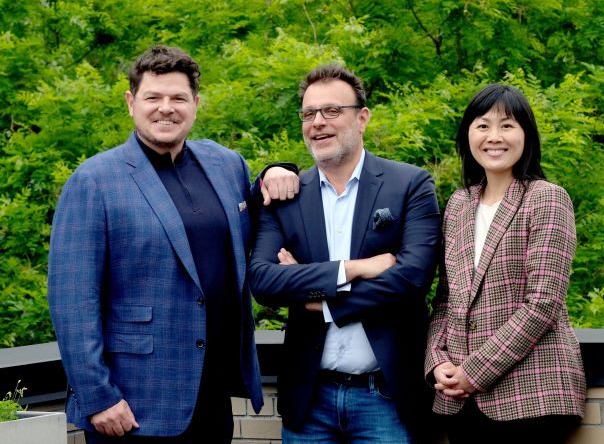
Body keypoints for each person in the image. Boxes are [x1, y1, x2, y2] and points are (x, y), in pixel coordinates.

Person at [47, 45, 299, 443]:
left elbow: (254, 214)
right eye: (153, 97)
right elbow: (72, 300)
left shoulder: (225, 163)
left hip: (212, 392)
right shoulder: (94, 180)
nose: (166, 108)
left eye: (178, 98)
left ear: (196, 104)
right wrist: (98, 397)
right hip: (133, 404)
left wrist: (276, 171)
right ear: (131, 102)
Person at [249, 63, 441, 443]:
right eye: (308, 113)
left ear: (362, 117)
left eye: (332, 111)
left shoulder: (410, 185)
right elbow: (264, 281)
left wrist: (321, 302)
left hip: (386, 397)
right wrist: (356, 268)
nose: (318, 122)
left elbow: (412, 277)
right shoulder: (286, 197)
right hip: (309, 399)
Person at [425, 83, 586, 444]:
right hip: (461, 404)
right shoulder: (458, 205)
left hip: (531, 396)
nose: (494, 136)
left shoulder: (547, 198)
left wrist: (474, 372)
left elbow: (543, 303)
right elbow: (445, 301)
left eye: (507, 125)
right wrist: (438, 362)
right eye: (483, 125)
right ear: (468, 134)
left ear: (526, 134)